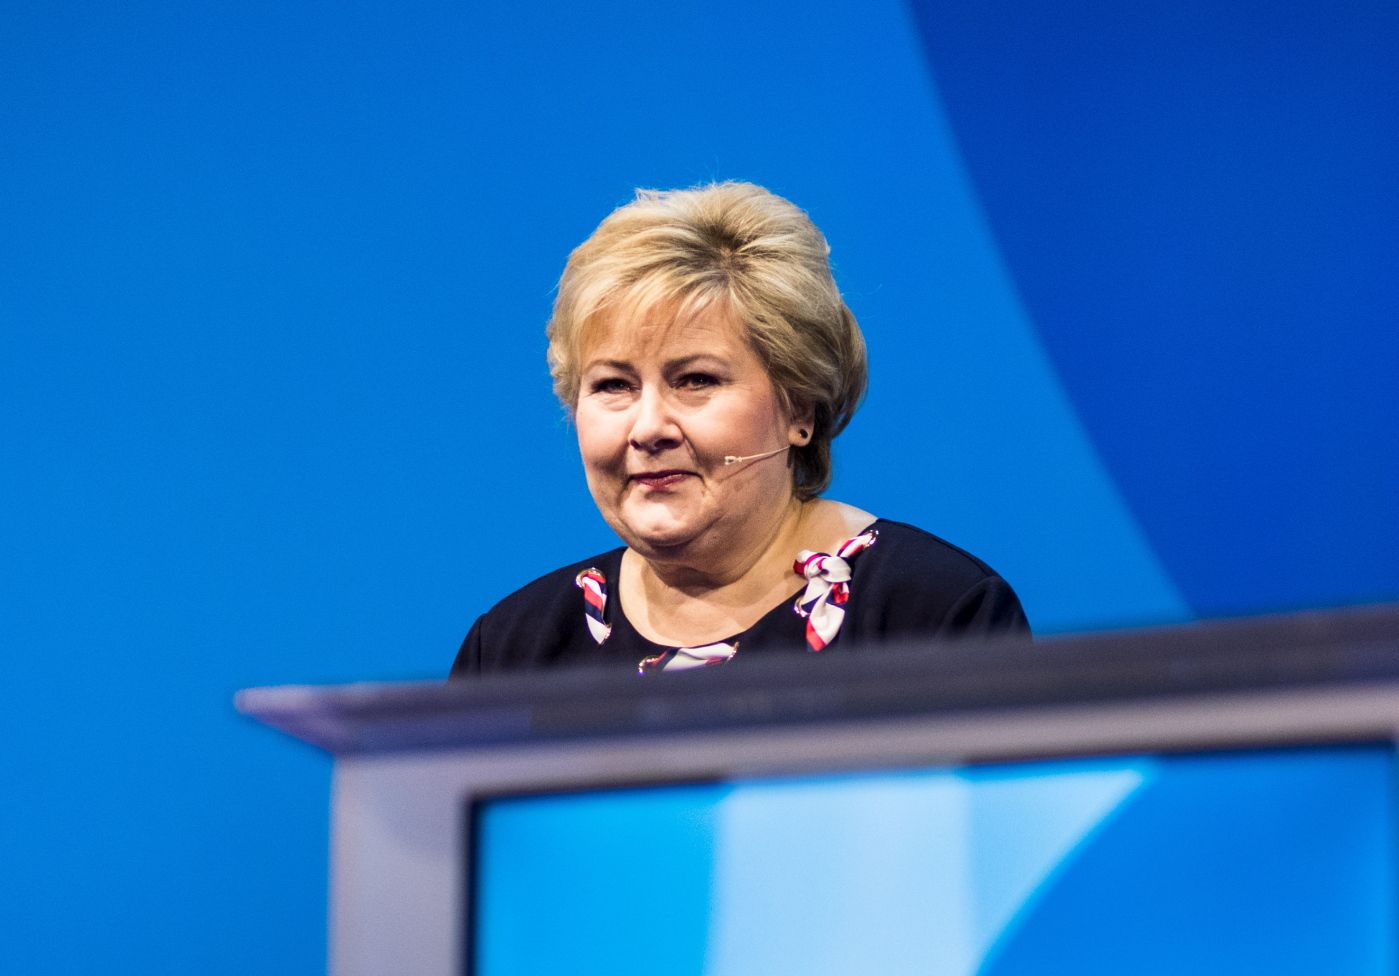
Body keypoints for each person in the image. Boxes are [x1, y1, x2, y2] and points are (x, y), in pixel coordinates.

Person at [451, 182, 1027, 676]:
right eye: (613, 386)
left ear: (799, 406)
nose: (648, 427)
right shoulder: (510, 651)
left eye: (695, 380)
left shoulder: (936, 615)